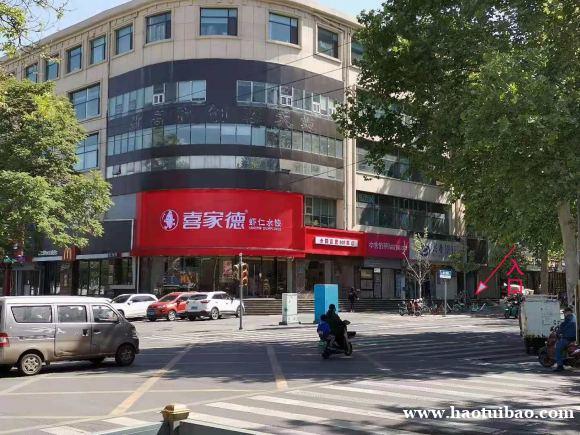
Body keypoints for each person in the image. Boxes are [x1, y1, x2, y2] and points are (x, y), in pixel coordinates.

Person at [554, 307, 577, 372]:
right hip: (574, 337)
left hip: (569, 338)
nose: (564, 314)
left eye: (565, 312)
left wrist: (558, 332)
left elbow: (563, 327)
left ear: (569, 312)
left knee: (558, 347)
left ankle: (560, 366)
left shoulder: (568, 318)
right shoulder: (574, 317)